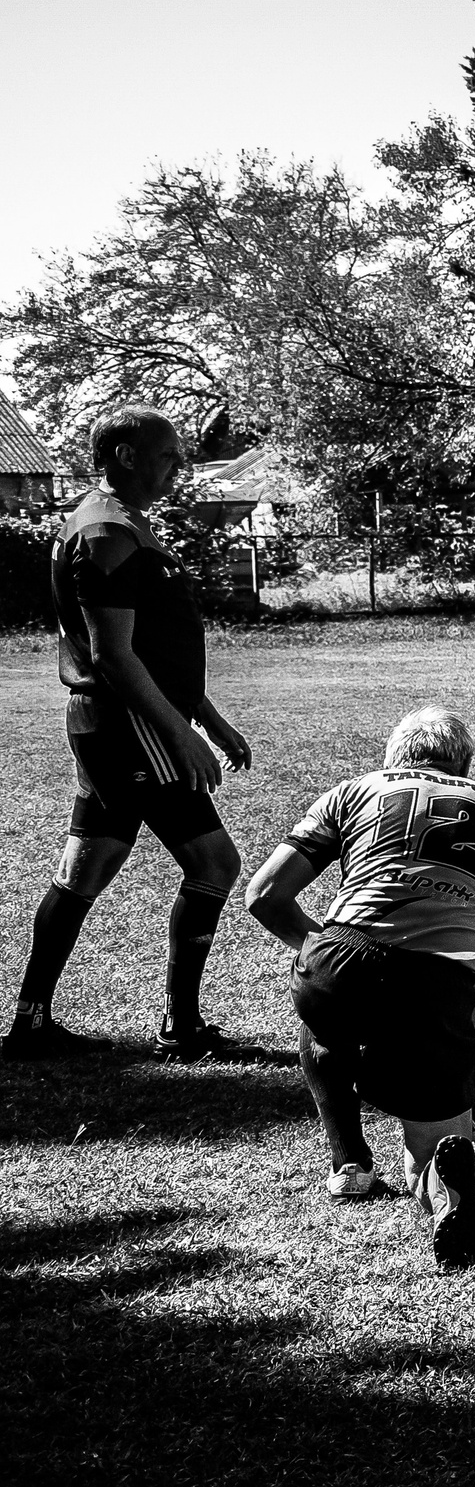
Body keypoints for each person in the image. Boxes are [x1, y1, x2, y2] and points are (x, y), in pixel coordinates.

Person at [5, 406, 253, 1064]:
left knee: (85, 869)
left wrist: (211, 718)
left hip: (120, 724)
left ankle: (31, 1022)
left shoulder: (120, 524)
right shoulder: (106, 532)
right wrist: (180, 734)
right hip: (131, 725)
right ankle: (182, 1025)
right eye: (167, 454)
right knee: (214, 864)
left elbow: (157, 646)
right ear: (123, 455)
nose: (177, 465)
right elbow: (114, 655)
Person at [243, 708, 475, 1268]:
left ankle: (349, 1163)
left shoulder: (351, 792)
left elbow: (264, 895)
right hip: (437, 979)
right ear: (467, 765)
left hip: (341, 956)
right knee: (429, 1151)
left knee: (324, 1020)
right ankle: (444, 1186)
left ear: (393, 757)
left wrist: (320, 952)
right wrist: (459, 1034)